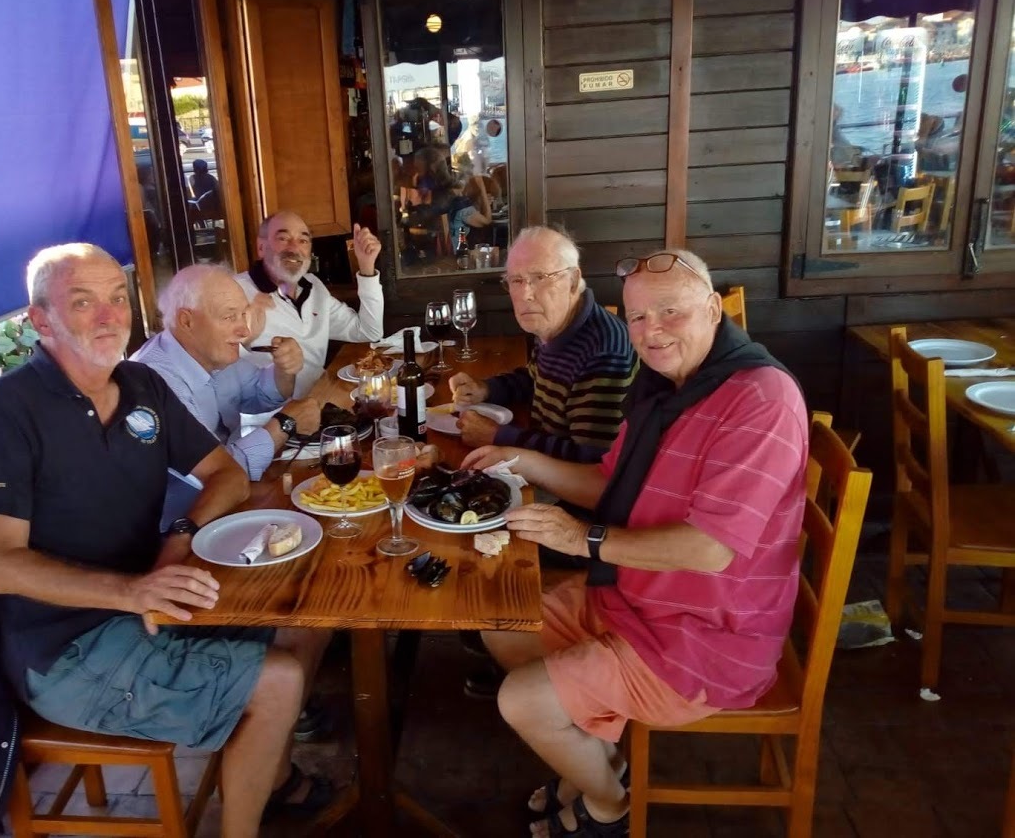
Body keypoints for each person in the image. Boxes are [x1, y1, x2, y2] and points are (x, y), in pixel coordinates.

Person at [0, 243, 332, 835]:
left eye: (116, 298)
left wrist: (176, 541)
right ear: (41, 320)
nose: (110, 316)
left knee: (304, 623)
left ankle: (272, 773)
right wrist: (133, 592)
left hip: (150, 600)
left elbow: (227, 475)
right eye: (84, 302)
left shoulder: (139, 384)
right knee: (280, 680)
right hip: (65, 648)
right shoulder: (3, 410)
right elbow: (1, 565)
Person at [462, 249, 808, 837]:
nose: (652, 332)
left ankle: (609, 806)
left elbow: (709, 550)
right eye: (639, 317)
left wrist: (585, 539)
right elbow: (608, 482)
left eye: (670, 312)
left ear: (714, 308)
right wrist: (519, 458)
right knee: (501, 623)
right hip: (634, 596)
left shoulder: (760, 400)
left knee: (520, 701)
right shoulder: (668, 386)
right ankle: (602, 762)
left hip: (707, 636)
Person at [448, 225, 638, 462]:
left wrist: (499, 436)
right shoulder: (556, 324)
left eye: (540, 278)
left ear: (572, 281)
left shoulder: (604, 352)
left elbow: (590, 461)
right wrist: (486, 389)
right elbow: (536, 379)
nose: (525, 294)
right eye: (516, 280)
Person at [132, 263, 321, 481]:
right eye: (229, 317)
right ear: (186, 321)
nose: (245, 331)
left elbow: (261, 394)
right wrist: (285, 424)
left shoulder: (213, 353)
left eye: (243, 315)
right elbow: (216, 475)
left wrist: (284, 369)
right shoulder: (154, 383)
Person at [237, 211, 384, 397]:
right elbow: (214, 365)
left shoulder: (313, 286)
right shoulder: (235, 292)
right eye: (283, 238)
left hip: (321, 400)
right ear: (261, 247)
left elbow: (368, 331)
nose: (294, 248)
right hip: (273, 412)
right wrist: (243, 339)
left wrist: (366, 266)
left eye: (303, 240)